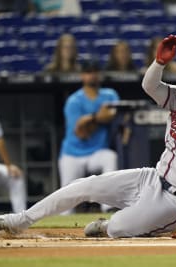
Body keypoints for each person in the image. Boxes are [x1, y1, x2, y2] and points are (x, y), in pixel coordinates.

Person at [0, 34, 176, 238]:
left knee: (118, 227)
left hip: (175, 201)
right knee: (83, 185)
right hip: (151, 177)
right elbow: (150, 86)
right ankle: (18, 220)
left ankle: (112, 226)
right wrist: (159, 62)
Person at [59, 60, 119, 214]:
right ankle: (63, 223)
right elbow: (81, 133)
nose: (92, 76)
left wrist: (89, 120)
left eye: (94, 72)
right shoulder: (74, 100)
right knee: (67, 197)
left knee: (110, 157)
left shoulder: (110, 94)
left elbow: (112, 116)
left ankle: (108, 207)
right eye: (88, 72)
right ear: (82, 76)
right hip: (72, 154)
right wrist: (97, 117)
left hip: (97, 152)